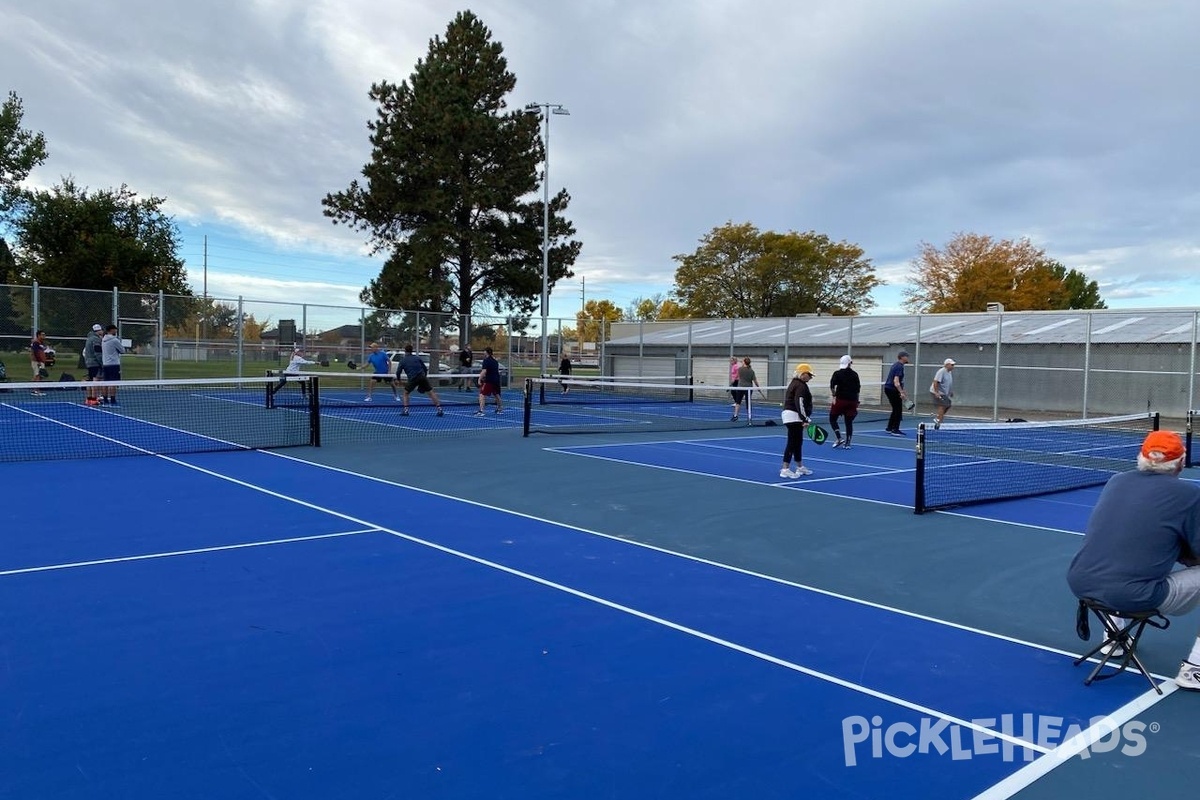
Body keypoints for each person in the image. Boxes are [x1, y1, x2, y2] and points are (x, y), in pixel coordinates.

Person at [1067, 430, 1200, 690]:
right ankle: (1195, 668)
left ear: (1141, 456)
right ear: (1182, 462)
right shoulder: (1190, 495)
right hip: (1134, 596)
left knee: (1124, 563)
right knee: (1132, 578)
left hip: (1081, 583)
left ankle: (1115, 637)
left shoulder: (1117, 481)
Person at [780, 363, 815, 477]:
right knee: (792, 442)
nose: (810, 377)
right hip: (793, 416)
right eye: (809, 375)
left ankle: (800, 467)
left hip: (793, 416)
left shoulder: (797, 383)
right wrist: (804, 419)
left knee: (798, 442)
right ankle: (785, 469)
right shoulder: (800, 385)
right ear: (803, 374)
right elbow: (799, 402)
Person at [396, 344, 444, 417]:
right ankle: (439, 409)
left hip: (413, 378)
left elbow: (398, 372)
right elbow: (424, 368)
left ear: (405, 351)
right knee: (431, 392)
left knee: (406, 393)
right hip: (422, 376)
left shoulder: (403, 361)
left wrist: (399, 380)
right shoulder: (417, 358)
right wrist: (424, 377)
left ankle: (406, 410)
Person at [829, 354, 861, 449]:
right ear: (850, 363)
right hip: (852, 401)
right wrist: (857, 401)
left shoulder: (837, 374)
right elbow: (858, 389)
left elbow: (832, 386)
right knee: (849, 422)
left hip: (840, 400)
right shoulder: (855, 374)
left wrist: (834, 396)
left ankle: (839, 437)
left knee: (832, 419)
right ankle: (848, 443)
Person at [883, 350, 911, 435]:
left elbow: (898, 381)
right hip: (892, 389)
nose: (908, 358)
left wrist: (902, 390)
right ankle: (895, 429)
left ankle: (889, 427)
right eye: (906, 356)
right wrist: (901, 392)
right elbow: (896, 381)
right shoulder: (899, 366)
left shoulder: (896, 365)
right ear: (902, 357)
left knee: (895, 409)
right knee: (898, 409)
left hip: (889, 389)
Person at [100, 325, 125, 405]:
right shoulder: (115, 340)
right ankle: (113, 400)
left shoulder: (103, 340)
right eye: (115, 330)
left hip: (105, 364)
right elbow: (123, 350)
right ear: (110, 330)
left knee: (105, 382)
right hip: (114, 364)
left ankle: (105, 399)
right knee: (113, 382)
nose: (116, 331)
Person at [476, 347, 504, 416]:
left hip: (489, 381)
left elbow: (484, 371)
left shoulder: (486, 361)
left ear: (486, 352)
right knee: (497, 395)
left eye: (484, 351)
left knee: (482, 395)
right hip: (496, 380)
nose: (483, 352)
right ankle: (500, 409)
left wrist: (479, 379)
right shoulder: (495, 361)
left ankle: (481, 411)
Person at [731, 356, 760, 422]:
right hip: (748, 388)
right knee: (748, 403)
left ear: (744, 362)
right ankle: (749, 417)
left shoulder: (740, 369)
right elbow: (755, 381)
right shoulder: (751, 371)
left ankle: (735, 415)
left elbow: (736, 376)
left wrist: (732, 382)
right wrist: (758, 387)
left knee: (738, 402)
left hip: (741, 387)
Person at [930, 358, 956, 429]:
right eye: (952, 365)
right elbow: (936, 382)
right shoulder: (941, 371)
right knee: (942, 405)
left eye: (953, 365)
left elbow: (949, 383)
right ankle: (939, 422)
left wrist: (951, 391)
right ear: (947, 365)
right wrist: (936, 392)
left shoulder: (949, 372)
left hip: (943, 393)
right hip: (937, 392)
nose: (953, 366)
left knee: (948, 404)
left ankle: (938, 417)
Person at [82, 323, 104, 406]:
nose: (102, 331)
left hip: (89, 362)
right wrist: (102, 363)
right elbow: (98, 353)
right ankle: (94, 399)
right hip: (95, 363)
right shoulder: (96, 340)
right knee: (95, 380)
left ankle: (89, 399)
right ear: (99, 331)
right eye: (101, 330)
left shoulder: (89, 339)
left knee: (90, 380)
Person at [29, 329, 49, 396]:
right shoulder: (36, 342)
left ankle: (36, 389)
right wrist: (39, 361)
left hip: (41, 361)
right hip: (36, 361)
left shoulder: (41, 343)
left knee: (39, 376)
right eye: (42, 335)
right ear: (38, 335)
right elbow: (35, 352)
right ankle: (35, 390)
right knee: (37, 375)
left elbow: (41, 351)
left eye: (44, 335)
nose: (44, 336)